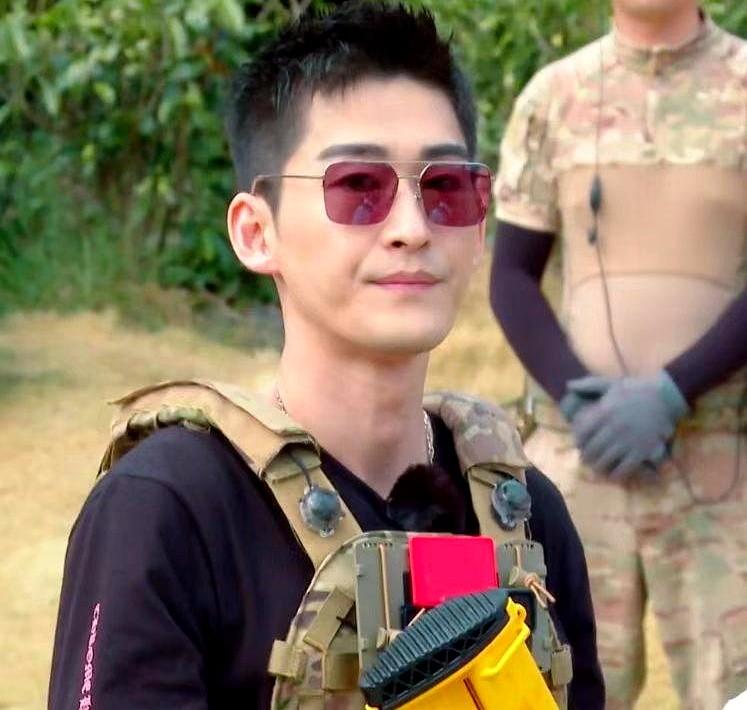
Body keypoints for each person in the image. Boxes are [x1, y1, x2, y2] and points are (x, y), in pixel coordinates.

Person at [48, 3, 604, 709]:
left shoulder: (524, 514)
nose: (411, 228)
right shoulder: (170, 509)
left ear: (478, 229)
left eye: (445, 188)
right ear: (256, 233)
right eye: (359, 188)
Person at [490, 1, 747, 708]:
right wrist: (581, 403)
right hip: (581, 463)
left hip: (721, 467)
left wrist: (672, 393)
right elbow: (511, 277)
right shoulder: (553, 96)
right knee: (552, 681)